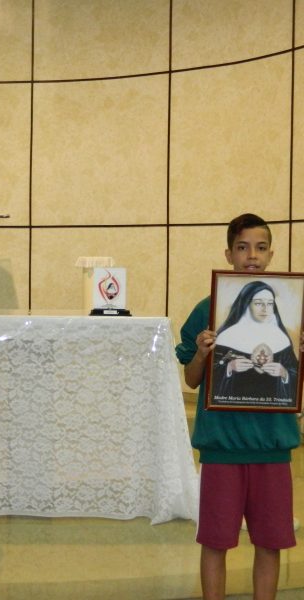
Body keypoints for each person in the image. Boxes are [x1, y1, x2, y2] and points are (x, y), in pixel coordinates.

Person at [175, 213, 300, 600]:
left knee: (270, 543)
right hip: (222, 447)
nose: (252, 256)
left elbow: (293, 386)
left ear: (271, 254)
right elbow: (191, 379)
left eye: (261, 248)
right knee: (215, 542)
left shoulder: (290, 317)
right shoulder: (208, 310)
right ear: (228, 254)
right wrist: (202, 354)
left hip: (272, 448)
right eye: (243, 247)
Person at [212, 280, 298, 408]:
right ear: (246, 304)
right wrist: (229, 367)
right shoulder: (226, 337)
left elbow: (295, 372)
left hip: (272, 411)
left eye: (270, 303)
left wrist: (284, 373)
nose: (265, 308)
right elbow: (211, 373)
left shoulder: (281, 338)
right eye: (258, 303)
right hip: (233, 409)